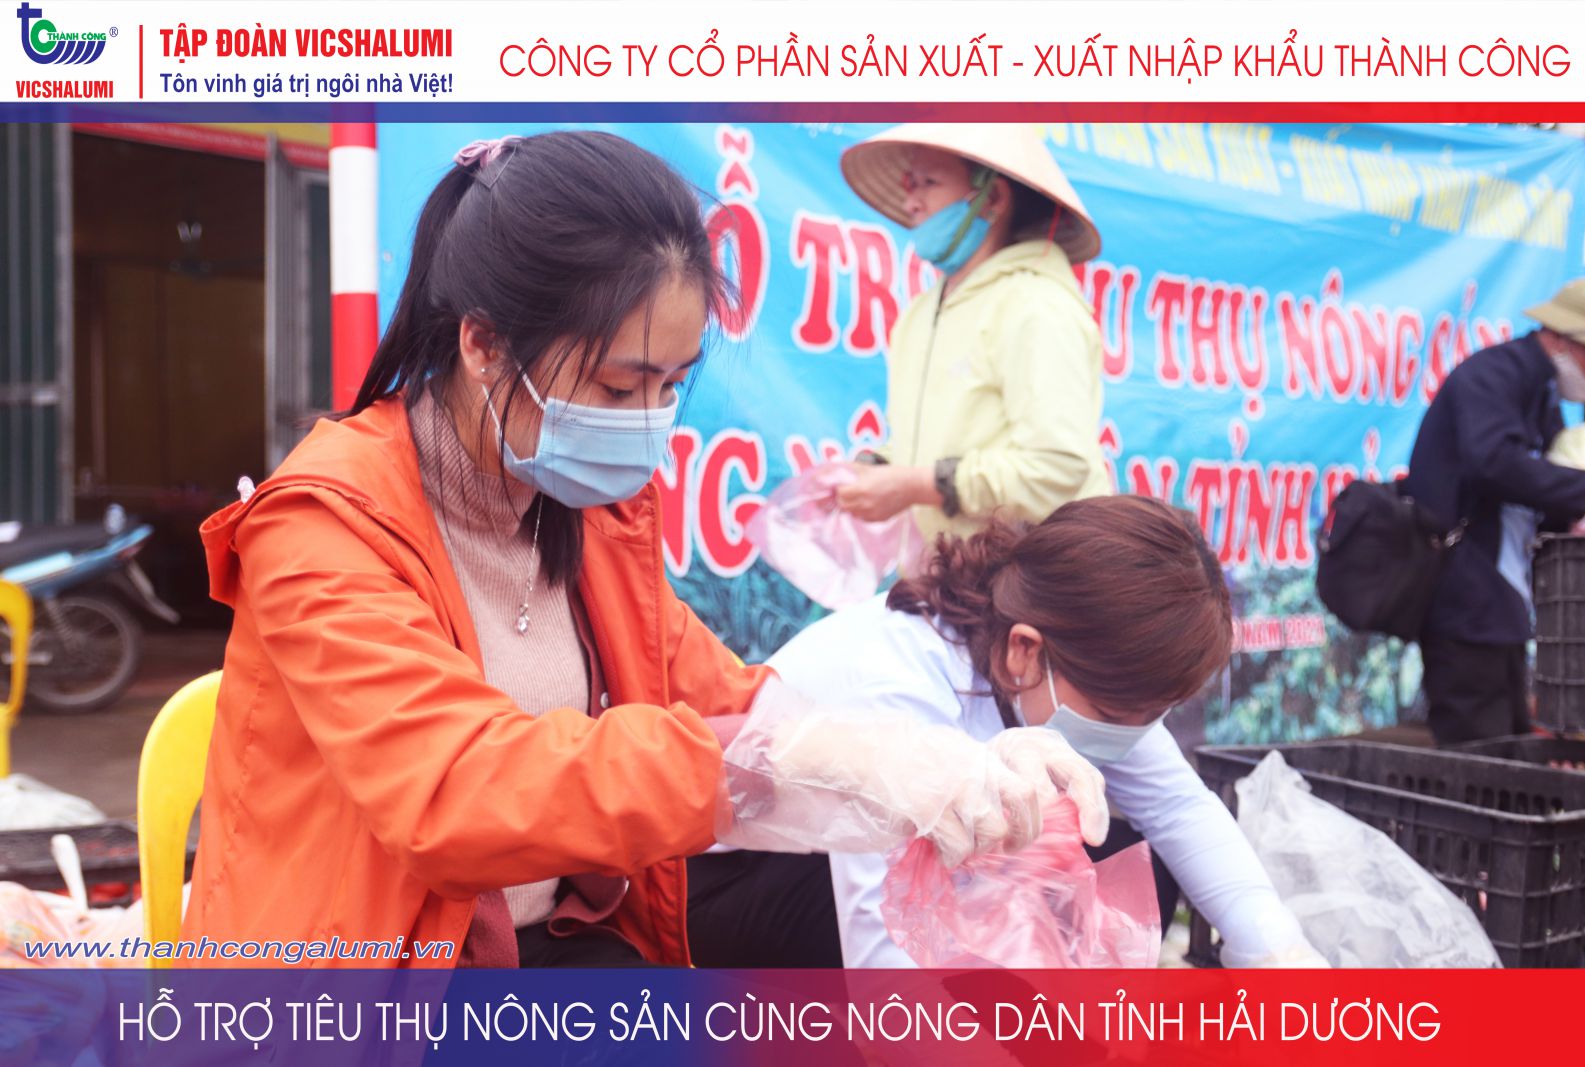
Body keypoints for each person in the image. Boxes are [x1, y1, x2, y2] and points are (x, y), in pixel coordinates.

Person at [184, 131, 1107, 969]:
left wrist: (932, 759)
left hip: (543, 945)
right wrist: (802, 761)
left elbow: (721, 696)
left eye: (669, 386)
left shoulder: (586, 513)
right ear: (484, 345)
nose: (645, 423)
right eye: (618, 387)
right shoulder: (324, 523)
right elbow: (456, 788)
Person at [696, 496, 1323, 969]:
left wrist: (1281, 953)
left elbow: (1182, 809)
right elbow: (879, 945)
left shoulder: (1078, 668)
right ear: (1025, 649)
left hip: (859, 882)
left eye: (1151, 716)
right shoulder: (898, 684)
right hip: (739, 887)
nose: (1131, 737)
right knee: (984, 897)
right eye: (1116, 716)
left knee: (1116, 856)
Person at [832, 123, 1111, 540]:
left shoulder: (1037, 306)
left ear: (992, 198)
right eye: (910, 184)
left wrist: (918, 485)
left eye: (928, 183)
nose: (911, 202)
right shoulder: (923, 311)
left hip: (1035, 569)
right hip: (955, 568)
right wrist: (878, 470)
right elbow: (934, 444)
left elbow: (1056, 469)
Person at [1405, 277, 1585, 745]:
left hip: (1504, 604)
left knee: (1513, 743)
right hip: (1464, 602)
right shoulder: (1492, 376)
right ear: (1561, 338)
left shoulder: (1542, 394)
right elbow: (1491, 461)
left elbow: (1542, 483)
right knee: (1479, 753)